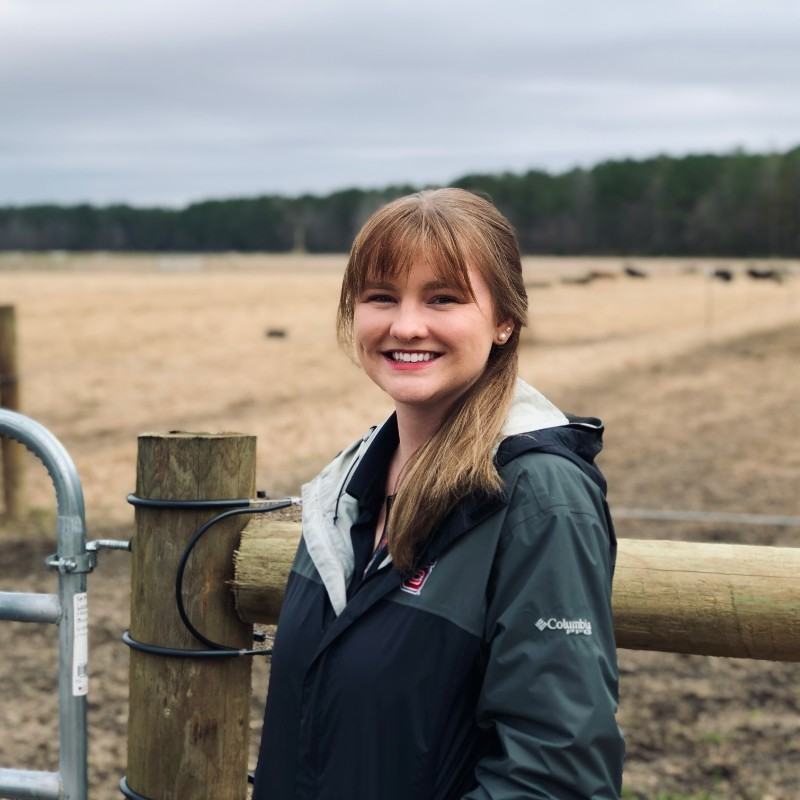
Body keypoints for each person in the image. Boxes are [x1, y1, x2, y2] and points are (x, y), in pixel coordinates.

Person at [253, 188, 625, 799]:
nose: (405, 325)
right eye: (381, 297)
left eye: (443, 299)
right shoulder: (344, 489)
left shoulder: (538, 497)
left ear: (504, 320)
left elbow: (556, 779)